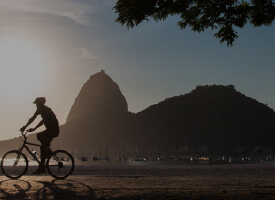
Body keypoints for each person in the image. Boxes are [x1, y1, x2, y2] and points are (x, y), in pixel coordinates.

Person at [20, 97, 59, 174]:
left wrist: (31, 128)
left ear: (40, 104)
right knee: (42, 147)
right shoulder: (41, 110)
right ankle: (42, 166)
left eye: (37, 104)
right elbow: (33, 118)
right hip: (50, 130)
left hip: (53, 130)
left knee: (40, 137)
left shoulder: (46, 110)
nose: (36, 105)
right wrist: (27, 127)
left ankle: (46, 151)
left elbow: (42, 121)